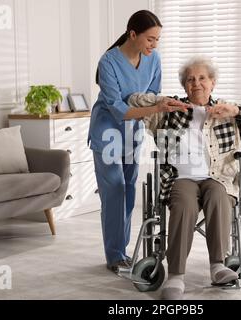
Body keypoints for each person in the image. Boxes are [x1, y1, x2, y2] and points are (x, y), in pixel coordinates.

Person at [128, 56, 241, 299]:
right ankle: (175, 277)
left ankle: (218, 266)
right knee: (183, 204)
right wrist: (162, 103)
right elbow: (133, 99)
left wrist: (235, 110)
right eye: (191, 79)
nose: (197, 83)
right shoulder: (170, 111)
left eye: (202, 78)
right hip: (180, 178)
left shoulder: (226, 110)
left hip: (218, 178)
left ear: (212, 83)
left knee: (218, 195)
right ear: (185, 86)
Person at [88, 10, 190, 274]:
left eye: (157, 40)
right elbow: (118, 109)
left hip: (132, 132)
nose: (154, 45)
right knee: (115, 192)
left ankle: (121, 251)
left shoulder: (153, 59)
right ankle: (115, 255)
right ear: (132, 34)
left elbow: (153, 95)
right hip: (108, 132)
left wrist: (164, 105)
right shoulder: (108, 62)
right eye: (150, 39)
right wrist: (156, 108)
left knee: (130, 192)